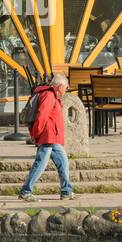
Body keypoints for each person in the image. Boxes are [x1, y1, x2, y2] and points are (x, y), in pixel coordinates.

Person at [18, 74, 74, 202]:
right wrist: (36, 134)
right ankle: (26, 191)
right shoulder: (49, 96)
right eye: (65, 88)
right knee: (40, 164)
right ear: (59, 87)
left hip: (53, 137)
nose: (66, 91)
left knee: (63, 162)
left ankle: (66, 191)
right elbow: (41, 116)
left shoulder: (52, 95)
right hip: (47, 136)